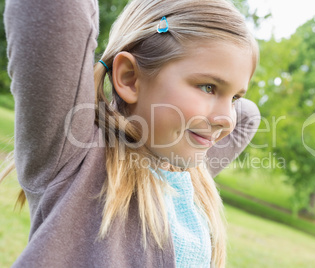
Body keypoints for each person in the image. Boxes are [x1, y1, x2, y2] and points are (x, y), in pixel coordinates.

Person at [3, 0, 260, 267]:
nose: (227, 120)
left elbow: (248, 116)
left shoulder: (188, 174)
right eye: (208, 86)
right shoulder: (76, 159)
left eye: (235, 97)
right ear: (128, 78)